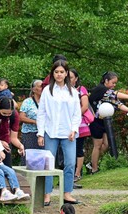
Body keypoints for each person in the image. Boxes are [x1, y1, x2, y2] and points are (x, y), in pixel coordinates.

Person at [37, 59, 82, 205]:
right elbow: (41, 113)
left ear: (67, 73)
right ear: (53, 73)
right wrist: (40, 133)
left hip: (68, 133)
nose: (59, 75)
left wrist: (74, 129)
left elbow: (77, 113)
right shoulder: (47, 91)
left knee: (70, 162)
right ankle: (47, 194)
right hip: (50, 132)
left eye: (62, 72)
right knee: (48, 164)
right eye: (56, 72)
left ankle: (67, 193)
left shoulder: (73, 92)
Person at [87, 71, 128, 174]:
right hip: (95, 121)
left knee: (106, 145)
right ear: (106, 81)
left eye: (115, 83)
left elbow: (116, 100)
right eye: (113, 83)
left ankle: (91, 163)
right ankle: (94, 168)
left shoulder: (107, 92)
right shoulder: (101, 89)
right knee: (97, 145)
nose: (114, 85)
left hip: (104, 121)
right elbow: (117, 100)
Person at [69, 68, 89, 185]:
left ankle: (77, 173)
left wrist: (74, 117)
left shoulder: (81, 90)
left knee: (78, 148)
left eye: (71, 77)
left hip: (79, 125)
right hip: (67, 126)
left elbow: (85, 106)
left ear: (76, 78)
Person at [19, 79, 43, 165]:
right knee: (28, 158)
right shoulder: (27, 102)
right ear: (33, 89)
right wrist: (35, 122)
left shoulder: (46, 101)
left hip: (42, 133)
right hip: (29, 133)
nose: (42, 88)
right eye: (40, 86)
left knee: (41, 158)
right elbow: (21, 117)